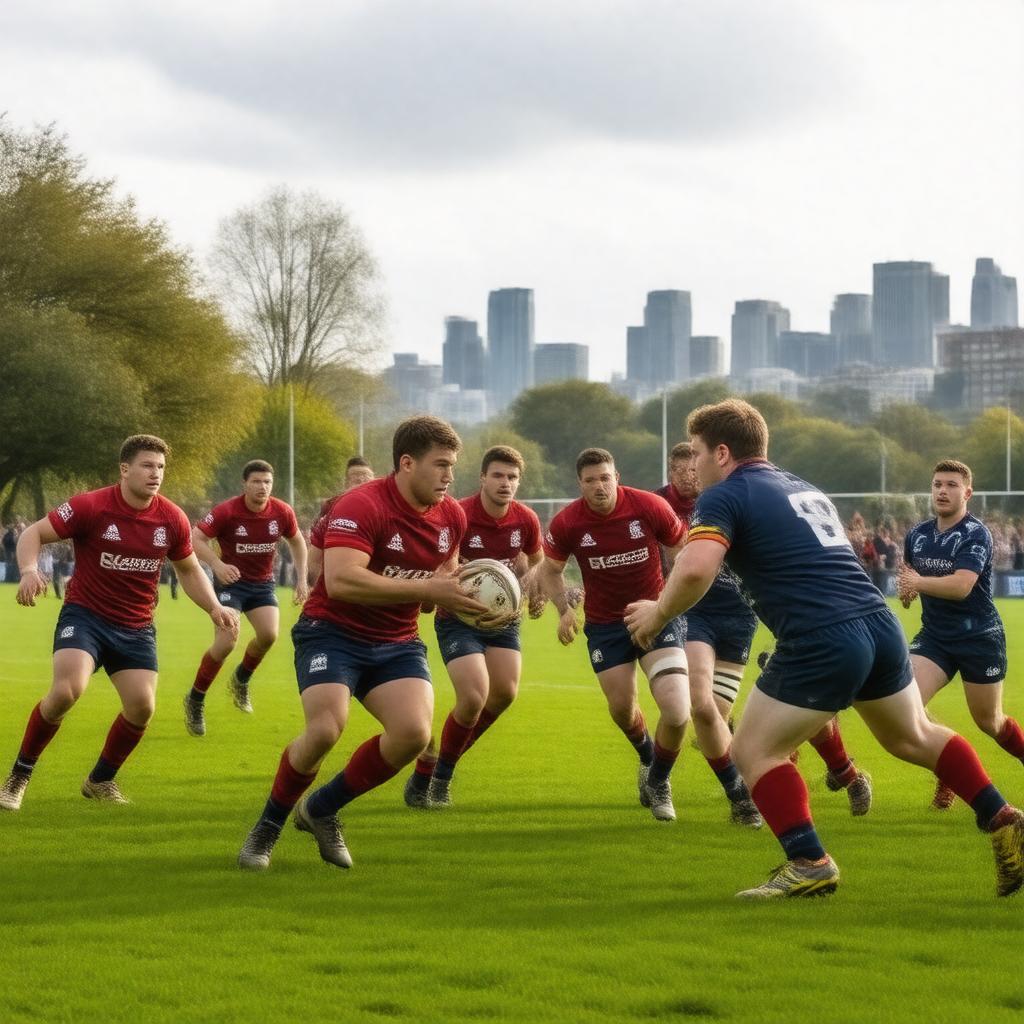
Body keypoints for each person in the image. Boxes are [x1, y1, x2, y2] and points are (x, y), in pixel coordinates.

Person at [625, 399, 1023, 899]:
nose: (695, 465)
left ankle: (809, 861)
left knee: (752, 750)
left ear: (722, 453)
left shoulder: (724, 494)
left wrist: (658, 614)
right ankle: (1003, 816)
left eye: (699, 453)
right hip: (878, 623)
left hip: (822, 635)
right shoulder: (801, 485)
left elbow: (696, 569)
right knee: (913, 735)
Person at [237, 416, 492, 871]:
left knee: (413, 735)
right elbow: (340, 581)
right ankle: (267, 827)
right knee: (324, 730)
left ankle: (321, 809)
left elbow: (440, 581)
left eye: (453, 466)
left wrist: (466, 596)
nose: (449, 476)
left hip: (397, 640)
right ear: (407, 463)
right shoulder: (362, 505)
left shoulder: (452, 515)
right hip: (331, 632)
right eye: (441, 465)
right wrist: (427, 589)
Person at [0, 435, 238, 811]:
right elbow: (34, 533)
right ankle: (19, 776)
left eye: (161, 467)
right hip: (86, 616)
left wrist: (214, 608)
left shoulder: (172, 518)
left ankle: (100, 780)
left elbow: (190, 570)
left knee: (142, 707)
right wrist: (29, 570)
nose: (155, 473)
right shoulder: (91, 506)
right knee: (67, 690)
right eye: (147, 465)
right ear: (125, 469)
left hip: (136, 627)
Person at [538, 447, 690, 822]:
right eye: (590, 480)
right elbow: (550, 570)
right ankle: (647, 757)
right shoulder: (568, 522)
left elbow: (681, 550)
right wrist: (564, 610)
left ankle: (659, 781)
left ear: (616, 477)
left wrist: (667, 603)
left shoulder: (649, 506)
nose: (599, 486)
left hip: (654, 617)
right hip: (605, 625)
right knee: (622, 709)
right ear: (580, 484)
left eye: (605, 478)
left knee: (676, 710)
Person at [404, 444, 543, 808]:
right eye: (497, 475)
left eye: (512, 477)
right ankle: (439, 779)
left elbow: (537, 561)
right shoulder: (459, 513)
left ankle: (438, 765)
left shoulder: (525, 519)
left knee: (504, 693)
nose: (505, 483)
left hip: (502, 619)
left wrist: (533, 590)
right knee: (473, 697)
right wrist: (449, 591)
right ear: (482, 478)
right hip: (459, 618)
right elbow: (444, 561)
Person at [898, 460, 1023, 810]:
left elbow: (961, 586)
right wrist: (907, 589)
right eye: (937, 484)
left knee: (990, 722)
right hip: (935, 637)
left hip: (979, 638)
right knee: (906, 706)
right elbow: (908, 576)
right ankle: (949, 771)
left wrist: (918, 582)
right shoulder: (917, 535)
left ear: (967, 493)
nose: (942, 491)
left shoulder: (976, 534)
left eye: (951, 485)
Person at [184, 460, 308, 736]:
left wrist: (301, 579)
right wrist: (217, 565)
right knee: (226, 642)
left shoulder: (282, 511)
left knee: (269, 635)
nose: (262, 487)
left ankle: (241, 679)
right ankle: (196, 699)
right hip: (231, 584)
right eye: (256, 481)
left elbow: (298, 541)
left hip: (262, 584)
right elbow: (196, 538)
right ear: (245, 484)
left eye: (267, 482)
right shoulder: (227, 511)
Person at [308, 456, 376, 583]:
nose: (361, 479)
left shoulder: (384, 507)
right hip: (338, 571)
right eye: (356, 475)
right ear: (346, 482)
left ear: (374, 479)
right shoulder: (331, 506)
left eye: (366, 475)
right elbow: (316, 547)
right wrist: (310, 582)